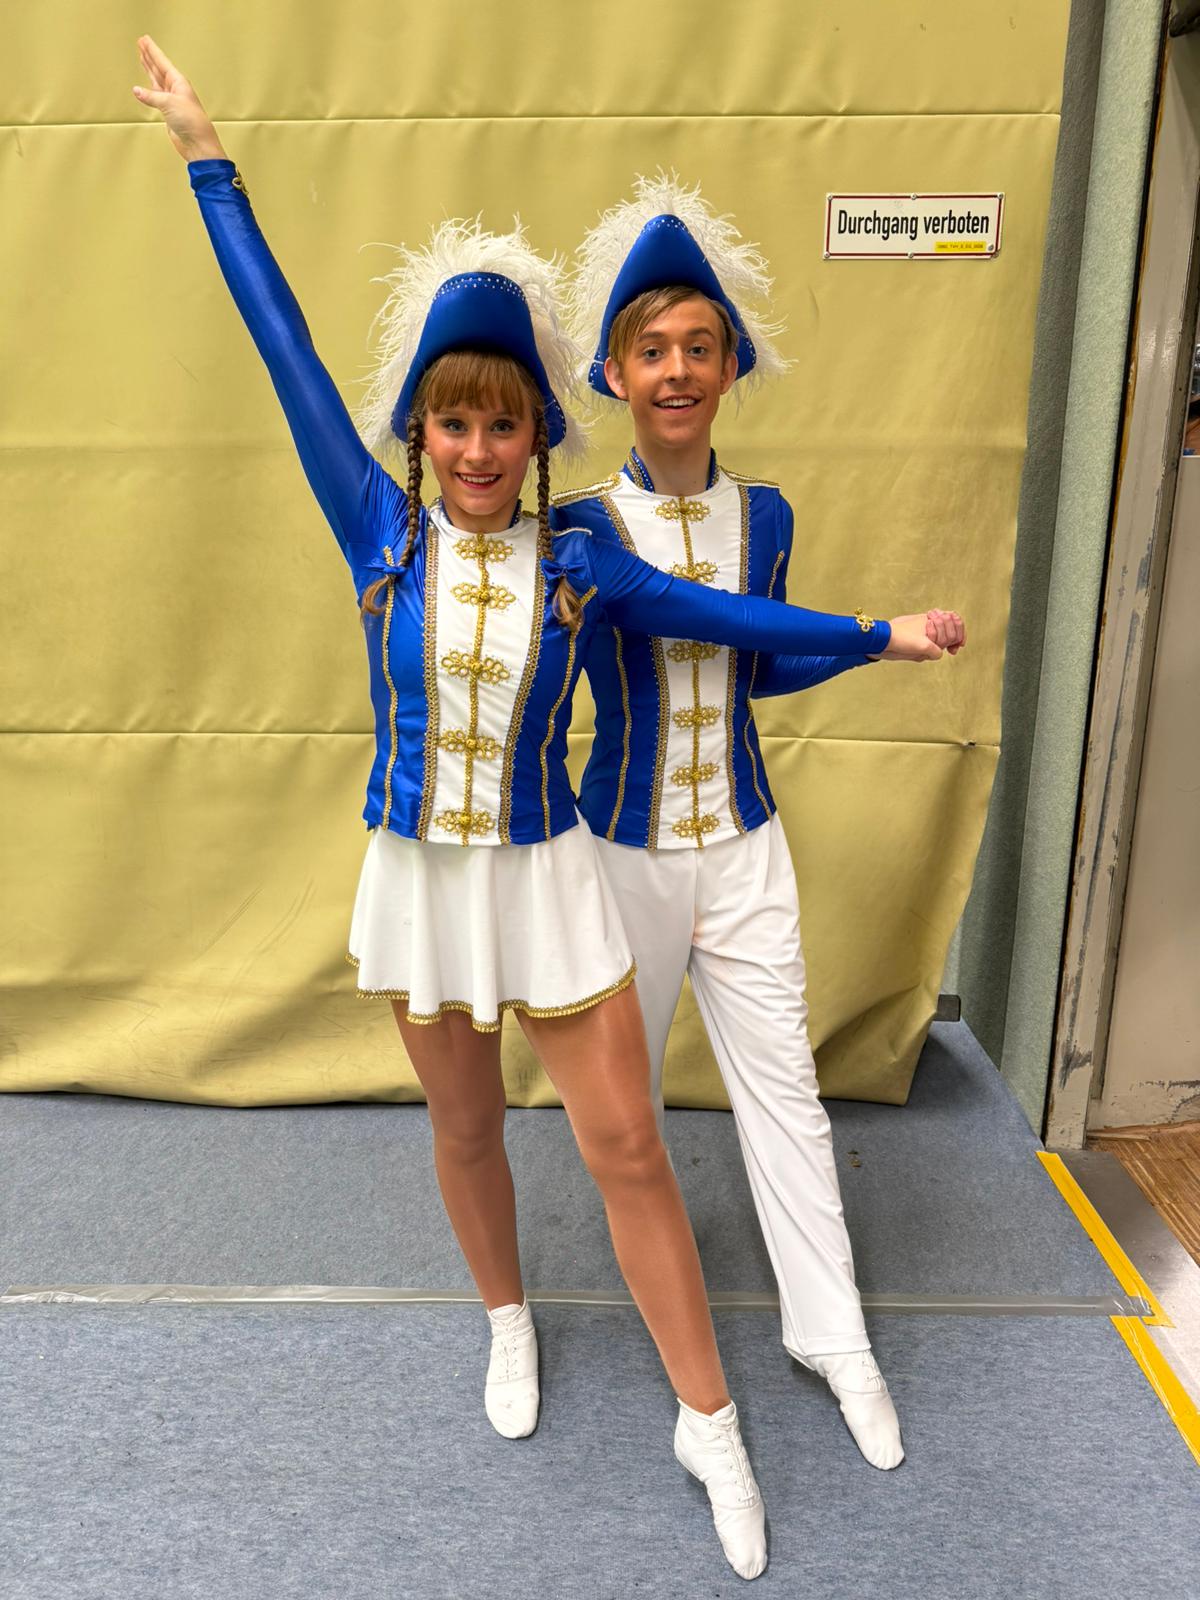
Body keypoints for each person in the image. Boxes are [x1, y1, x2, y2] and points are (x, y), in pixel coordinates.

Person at [134, 43, 947, 1576]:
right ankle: (507, 1317)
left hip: (549, 871)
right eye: (453, 424)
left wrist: (872, 635)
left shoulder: (582, 557)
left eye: (503, 425)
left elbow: (726, 620)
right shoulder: (373, 525)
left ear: (539, 435)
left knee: (629, 1146)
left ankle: (707, 1420)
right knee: (463, 1130)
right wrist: (205, 154)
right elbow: (280, 337)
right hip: (419, 878)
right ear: (420, 431)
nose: (477, 452)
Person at [553, 175, 966, 1473]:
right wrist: (877, 632)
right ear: (613, 374)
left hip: (745, 845)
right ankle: (667, 1347)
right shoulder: (581, 530)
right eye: (651, 350)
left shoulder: (768, 515)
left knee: (785, 1090)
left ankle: (833, 1335)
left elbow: (754, 659)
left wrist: (845, 652)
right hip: (618, 857)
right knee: (619, 1111)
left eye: (699, 346)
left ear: (731, 365)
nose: (677, 370)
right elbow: (701, 616)